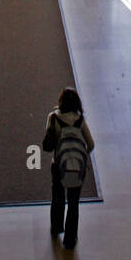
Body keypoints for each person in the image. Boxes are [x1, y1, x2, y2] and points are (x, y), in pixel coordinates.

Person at [42, 87, 95, 250]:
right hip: (76, 167)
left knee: (57, 196)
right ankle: (70, 239)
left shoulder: (53, 118)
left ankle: (56, 227)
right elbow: (91, 144)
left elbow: (47, 145)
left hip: (58, 164)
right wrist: (81, 156)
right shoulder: (80, 120)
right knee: (74, 202)